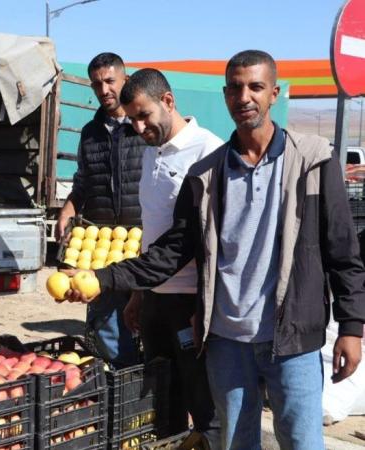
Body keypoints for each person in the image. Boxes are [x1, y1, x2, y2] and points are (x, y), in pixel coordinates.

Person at [65, 50, 365, 449]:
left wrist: (351, 326)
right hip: (226, 340)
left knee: (302, 442)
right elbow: (171, 251)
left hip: (291, 340)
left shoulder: (311, 161)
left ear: (273, 93)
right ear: (225, 95)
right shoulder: (207, 173)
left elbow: (342, 250)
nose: (245, 97)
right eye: (236, 88)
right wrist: (103, 278)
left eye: (256, 87)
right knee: (235, 442)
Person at [119, 68, 222, 447]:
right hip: (155, 299)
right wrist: (138, 293)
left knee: (204, 404)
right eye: (132, 119)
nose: (139, 126)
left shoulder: (209, 151)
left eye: (144, 115)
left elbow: (217, 241)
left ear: (168, 101)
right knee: (163, 403)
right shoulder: (151, 154)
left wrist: (205, 305)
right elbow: (152, 232)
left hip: (190, 302)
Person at [55, 52, 147, 365]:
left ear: (126, 80)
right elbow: (82, 183)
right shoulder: (90, 133)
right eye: (97, 84)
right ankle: (124, 393)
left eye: (110, 81)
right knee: (108, 329)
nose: (104, 89)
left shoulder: (145, 128)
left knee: (148, 326)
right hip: (98, 249)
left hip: (142, 245)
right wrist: (67, 209)